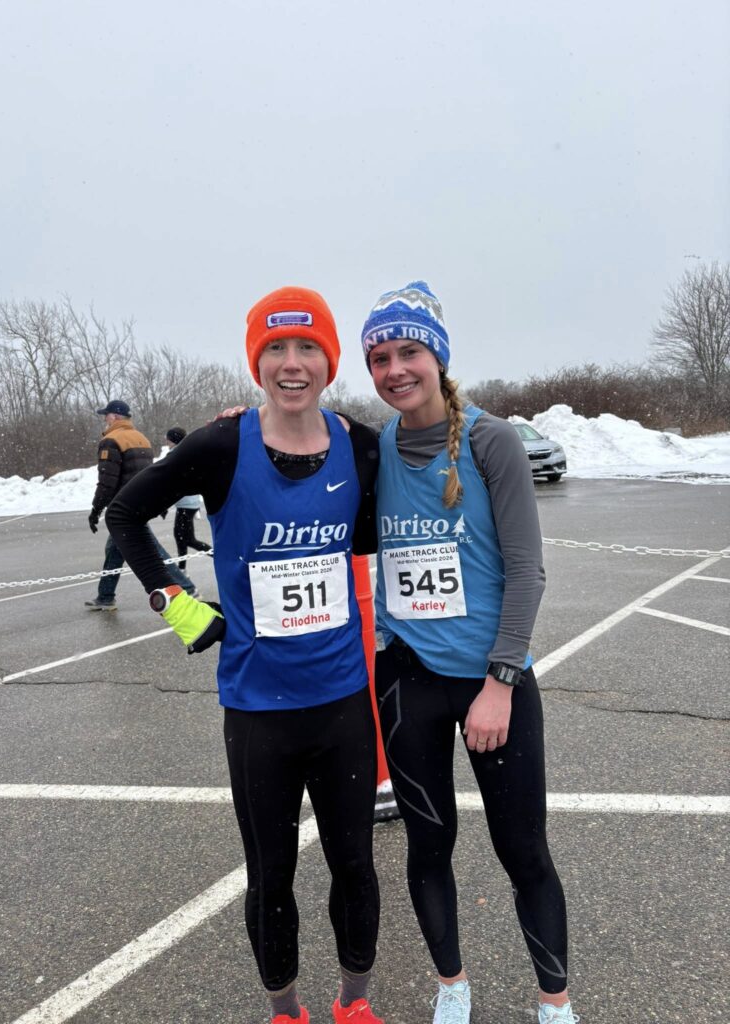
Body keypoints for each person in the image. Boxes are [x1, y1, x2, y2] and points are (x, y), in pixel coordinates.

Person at [106, 288, 384, 1024]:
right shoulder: (223, 444)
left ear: (329, 360)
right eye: (275, 350)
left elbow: (392, 529)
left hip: (343, 701)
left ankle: (354, 1005)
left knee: (355, 865)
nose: (292, 364)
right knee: (272, 876)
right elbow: (126, 512)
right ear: (257, 362)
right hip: (259, 709)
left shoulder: (359, 443)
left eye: (307, 348)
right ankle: (285, 1011)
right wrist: (175, 599)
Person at [361, 282, 578, 1024]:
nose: (394, 369)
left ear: (438, 358)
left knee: (524, 851)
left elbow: (528, 570)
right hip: (408, 681)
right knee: (429, 841)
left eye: (408, 352)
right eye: (380, 357)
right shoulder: (377, 444)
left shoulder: (491, 441)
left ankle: (555, 1003)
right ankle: (452, 984)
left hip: (493, 680)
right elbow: (290, 443)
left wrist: (501, 681)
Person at [85, 400, 198, 610]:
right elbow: (151, 475)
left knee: (151, 548)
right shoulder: (141, 438)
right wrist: (159, 502)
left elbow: (107, 482)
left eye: (106, 415)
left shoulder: (111, 440)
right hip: (140, 502)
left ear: (115, 417)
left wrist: (96, 509)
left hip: (123, 508)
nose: (104, 419)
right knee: (115, 548)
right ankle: (106, 595)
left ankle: (186, 586)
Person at [163, 427, 213, 569]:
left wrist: (162, 504)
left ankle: (218, 554)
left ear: (173, 439)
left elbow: (168, 482)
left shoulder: (174, 454)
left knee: (187, 539)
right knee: (181, 537)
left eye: (168, 438)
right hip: (190, 502)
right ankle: (182, 568)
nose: (166, 441)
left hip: (186, 503)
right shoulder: (189, 451)